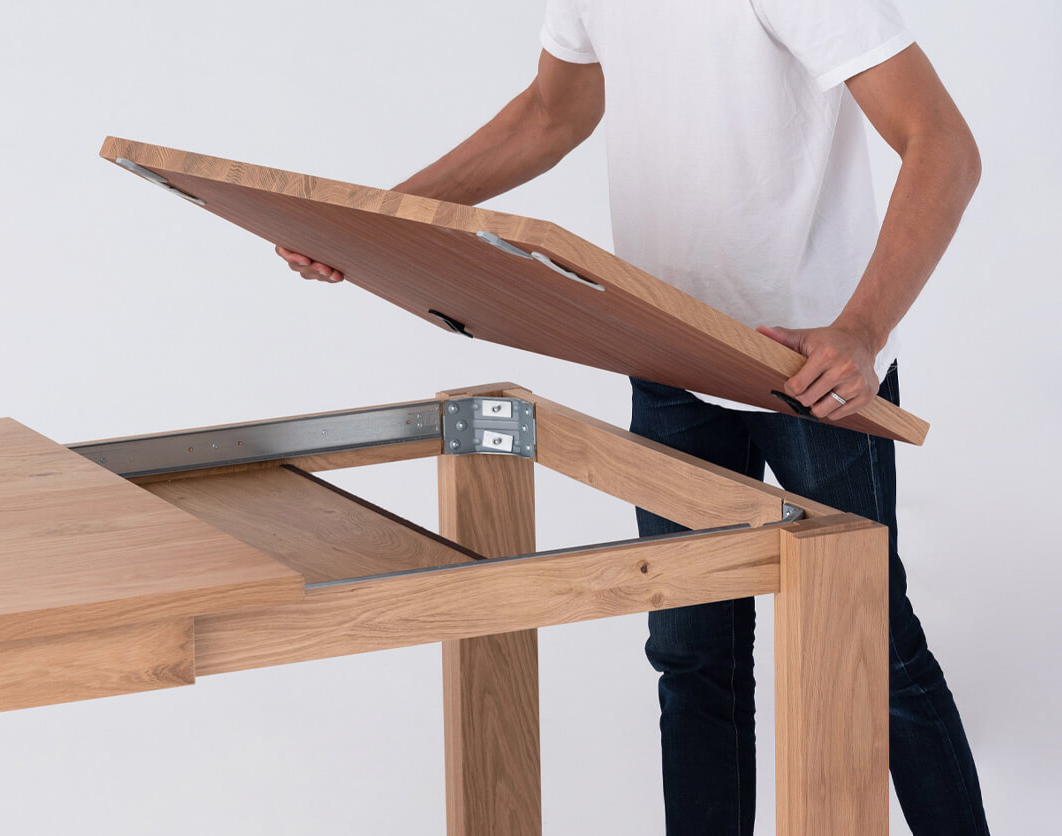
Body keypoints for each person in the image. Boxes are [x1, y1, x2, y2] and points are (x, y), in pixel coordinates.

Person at [276, 1, 987, 833]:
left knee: (876, 652)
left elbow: (943, 145)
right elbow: (552, 113)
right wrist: (382, 217)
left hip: (813, 373)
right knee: (692, 660)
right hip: (668, 354)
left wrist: (864, 329)